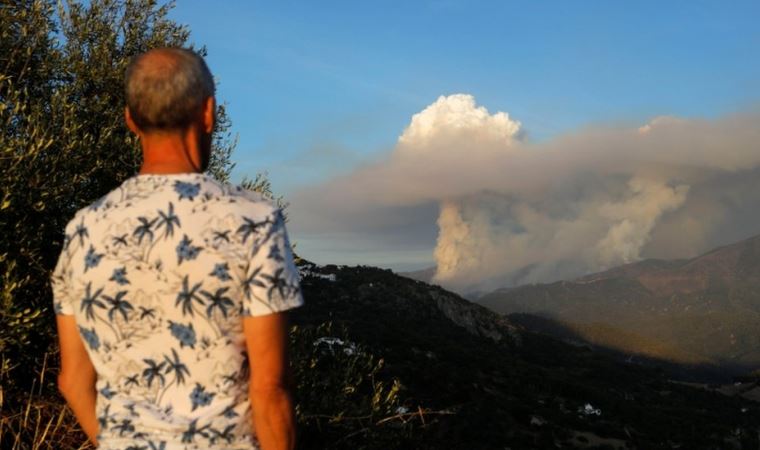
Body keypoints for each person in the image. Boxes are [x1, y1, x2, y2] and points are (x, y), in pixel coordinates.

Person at [51, 48, 303, 450]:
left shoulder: (83, 229)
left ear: (131, 120)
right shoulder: (253, 220)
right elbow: (269, 390)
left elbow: (73, 382)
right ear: (209, 113)